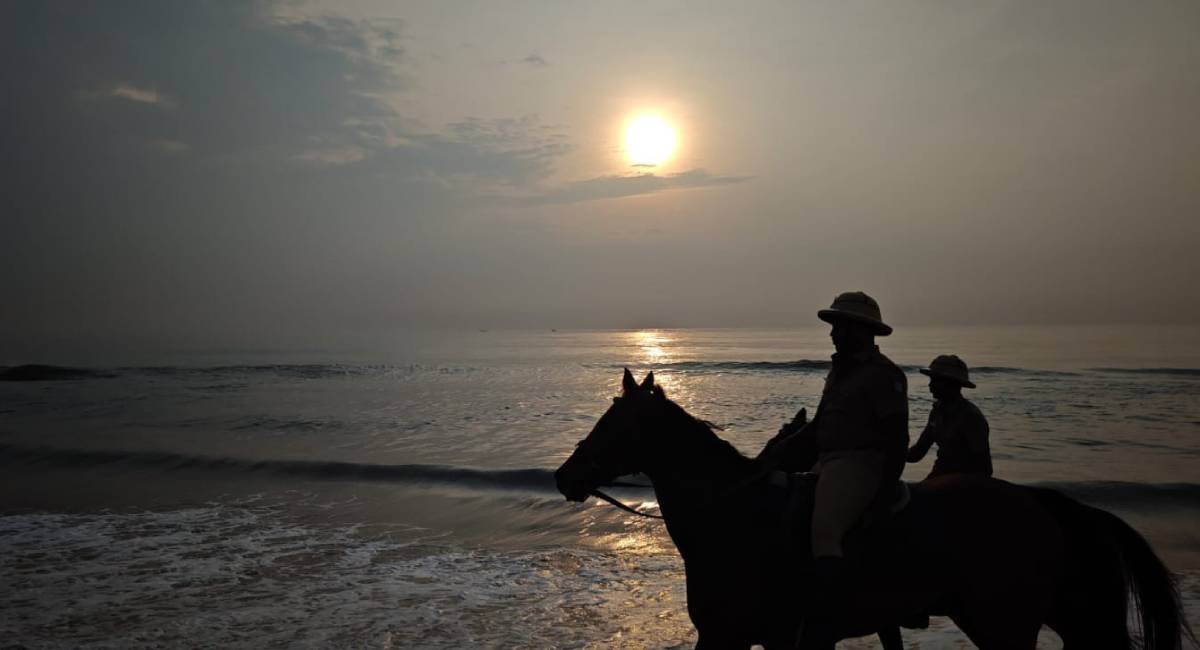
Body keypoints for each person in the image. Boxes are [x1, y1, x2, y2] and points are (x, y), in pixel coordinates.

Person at [762, 291, 909, 648]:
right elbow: (817, 427)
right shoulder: (841, 371)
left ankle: (826, 619)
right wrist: (774, 454)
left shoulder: (882, 375)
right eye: (833, 327)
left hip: (859, 462)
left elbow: (896, 437)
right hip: (828, 459)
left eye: (839, 327)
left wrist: (885, 485)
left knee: (824, 530)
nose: (832, 334)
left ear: (860, 330)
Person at [907, 354, 992, 479]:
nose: (930, 385)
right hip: (940, 475)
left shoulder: (971, 417)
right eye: (931, 380)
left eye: (936, 381)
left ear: (952, 384)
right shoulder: (937, 412)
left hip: (963, 481)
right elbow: (918, 452)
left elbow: (984, 468)